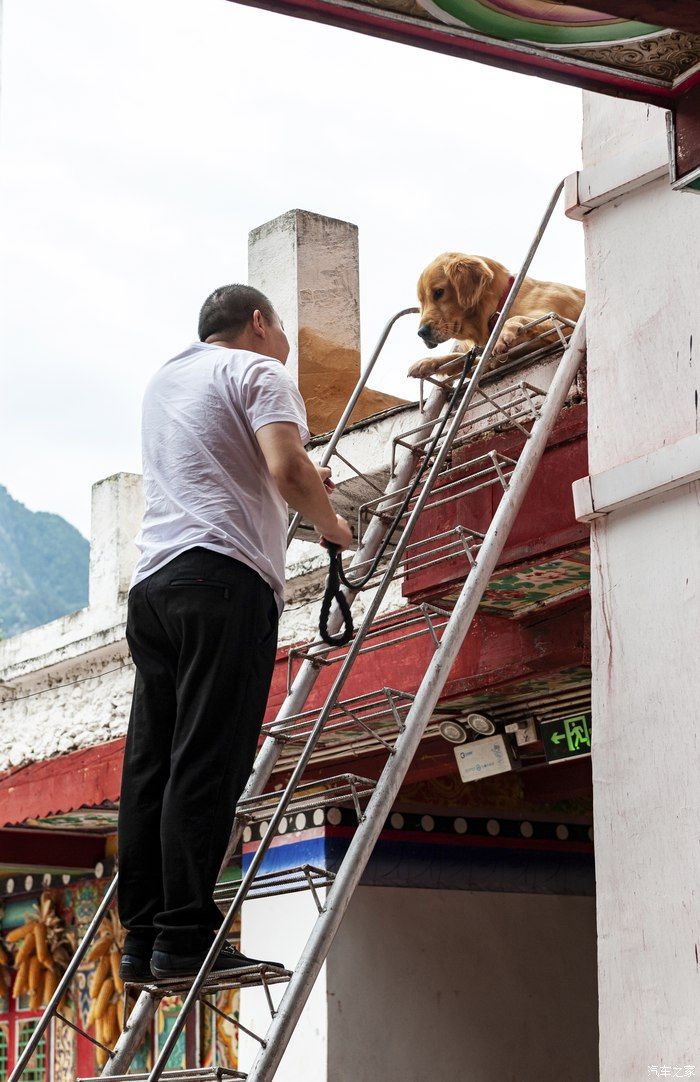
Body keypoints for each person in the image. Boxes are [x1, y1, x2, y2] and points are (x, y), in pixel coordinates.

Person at [117, 284, 353, 982]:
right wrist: (332, 526)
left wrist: (302, 476)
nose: (286, 344)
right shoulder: (261, 370)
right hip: (225, 582)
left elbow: (229, 466)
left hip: (156, 585)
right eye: (281, 328)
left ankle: (144, 941)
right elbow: (284, 466)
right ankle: (188, 938)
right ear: (258, 322)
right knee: (209, 759)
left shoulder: (167, 379)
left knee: (151, 766)